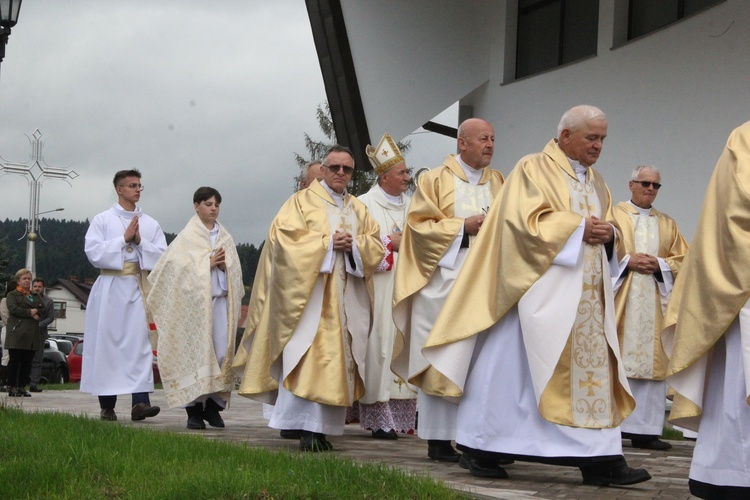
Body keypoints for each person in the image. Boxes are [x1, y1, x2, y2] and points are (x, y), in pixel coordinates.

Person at [423, 105, 651, 486]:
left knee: (587, 376)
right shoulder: (532, 168)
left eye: (602, 139)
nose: (598, 146)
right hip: (535, 294)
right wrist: (578, 229)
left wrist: (611, 235)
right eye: (591, 137)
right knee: (514, 374)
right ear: (565, 137)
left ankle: (601, 458)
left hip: (588, 299)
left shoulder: (597, 182)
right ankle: (483, 448)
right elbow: (518, 223)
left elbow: (611, 225)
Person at [233, 145, 384, 451]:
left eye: (347, 169)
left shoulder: (358, 208)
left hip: (345, 300)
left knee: (338, 362)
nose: (341, 173)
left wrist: (354, 245)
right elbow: (284, 242)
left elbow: (375, 244)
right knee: (307, 358)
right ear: (324, 171)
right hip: (309, 300)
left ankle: (322, 429)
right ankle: (304, 428)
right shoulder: (300, 202)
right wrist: (328, 245)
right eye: (335, 168)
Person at [392, 118, 504, 462]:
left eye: (493, 138)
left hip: (484, 283)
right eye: (483, 138)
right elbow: (417, 228)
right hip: (444, 280)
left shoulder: (499, 181)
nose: (489, 144)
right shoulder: (434, 179)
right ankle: (439, 440)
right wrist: (462, 228)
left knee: (481, 361)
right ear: (462, 143)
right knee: (444, 356)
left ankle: (477, 438)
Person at [662, 121, 750, 499]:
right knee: (737, 389)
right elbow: (735, 208)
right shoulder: (745, 138)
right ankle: (733, 475)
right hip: (743, 285)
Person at [147, 187, 244, 429]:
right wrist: (206, 264)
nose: (213, 208)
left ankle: (213, 407)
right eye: (209, 204)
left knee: (221, 354)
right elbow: (171, 272)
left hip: (220, 304)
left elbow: (236, 273)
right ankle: (193, 410)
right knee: (195, 357)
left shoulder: (225, 237)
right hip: (193, 308)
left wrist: (223, 269)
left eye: (217, 205)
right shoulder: (186, 238)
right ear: (196, 206)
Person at [81, 169, 167, 422]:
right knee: (107, 346)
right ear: (119, 189)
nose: (138, 189)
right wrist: (123, 239)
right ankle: (107, 405)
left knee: (139, 345)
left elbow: (163, 256)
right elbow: (93, 252)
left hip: (137, 288)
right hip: (110, 288)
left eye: (140, 185)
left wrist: (140, 241)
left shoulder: (150, 223)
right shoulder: (103, 220)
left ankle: (140, 402)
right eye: (132, 185)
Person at [612, 165, 688, 450]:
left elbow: (684, 259)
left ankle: (646, 431)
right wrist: (625, 263)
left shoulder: (667, 223)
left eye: (656, 185)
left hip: (655, 300)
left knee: (653, 361)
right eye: (645, 183)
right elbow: (601, 251)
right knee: (620, 359)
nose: (650, 189)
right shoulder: (614, 215)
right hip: (623, 300)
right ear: (631, 184)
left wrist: (660, 264)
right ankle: (616, 426)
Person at [356, 133, 417, 439]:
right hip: (379, 288)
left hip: (409, 287)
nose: (408, 177)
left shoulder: (415, 205)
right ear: (384, 177)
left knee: (407, 342)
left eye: (407, 172)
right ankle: (380, 418)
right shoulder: (363, 205)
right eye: (402, 173)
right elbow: (358, 245)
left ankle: (404, 415)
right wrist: (388, 244)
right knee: (380, 345)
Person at [4, 269, 45, 397]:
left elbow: (42, 308)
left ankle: (22, 386)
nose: (27, 281)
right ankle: (12, 387)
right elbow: (14, 309)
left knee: (27, 363)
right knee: (15, 362)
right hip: (18, 333)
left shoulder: (34, 295)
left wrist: (37, 313)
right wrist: (30, 312)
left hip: (32, 335)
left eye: (28, 279)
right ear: (18, 281)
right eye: (24, 279)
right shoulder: (13, 295)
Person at [29, 277, 55, 392]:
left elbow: (51, 317)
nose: (37, 288)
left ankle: (34, 383)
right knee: (25, 358)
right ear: (32, 287)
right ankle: (21, 382)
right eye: (35, 286)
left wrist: (40, 324)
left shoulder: (48, 301)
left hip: (40, 333)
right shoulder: (27, 298)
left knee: (37, 360)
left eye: (39, 286)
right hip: (27, 333)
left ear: (43, 287)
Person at [0, 280, 15, 392]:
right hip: (8, 330)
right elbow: (5, 317)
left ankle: (12, 382)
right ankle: (3, 382)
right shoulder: (5, 301)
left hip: (18, 331)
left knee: (15, 357)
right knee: (6, 356)